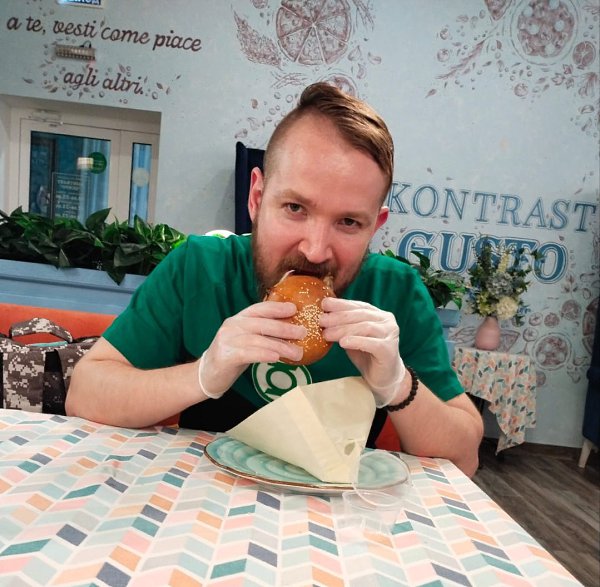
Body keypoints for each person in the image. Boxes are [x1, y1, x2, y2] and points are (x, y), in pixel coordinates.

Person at [67, 83, 483, 476]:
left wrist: (397, 384)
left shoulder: (397, 292)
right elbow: (85, 395)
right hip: (205, 499)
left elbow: (464, 458)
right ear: (257, 198)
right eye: (295, 208)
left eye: (349, 222)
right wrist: (203, 374)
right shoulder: (199, 268)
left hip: (341, 511)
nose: (315, 250)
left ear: (375, 226)